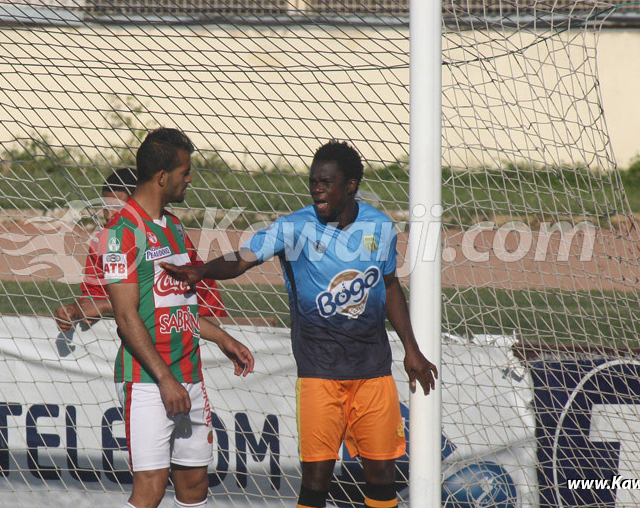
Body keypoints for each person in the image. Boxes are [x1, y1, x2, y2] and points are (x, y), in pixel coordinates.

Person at [161, 140, 437, 508]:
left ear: (351, 185)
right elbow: (243, 259)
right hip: (319, 374)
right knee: (316, 480)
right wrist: (203, 270)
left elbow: (388, 285)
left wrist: (412, 350)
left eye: (326, 182)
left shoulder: (380, 227)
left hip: (373, 372)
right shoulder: (293, 228)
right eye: (313, 181)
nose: (317, 188)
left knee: (383, 477)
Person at [104, 128, 255, 508]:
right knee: (150, 490)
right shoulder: (119, 233)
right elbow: (125, 317)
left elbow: (181, 306)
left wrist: (223, 338)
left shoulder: (173, 227)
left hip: (188, 377)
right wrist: (165, 379)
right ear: (161, 177)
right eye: (185, 172)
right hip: (150, 383)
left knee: (194, 486)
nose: (190, 179)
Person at [53, 167, 138, 332]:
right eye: (106, 207)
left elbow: (162, 298)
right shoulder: (102, 238)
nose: (108, 215)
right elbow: (96, 292)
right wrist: (75, 309)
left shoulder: (166, 231)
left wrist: (106, 306)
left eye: (117, 208)